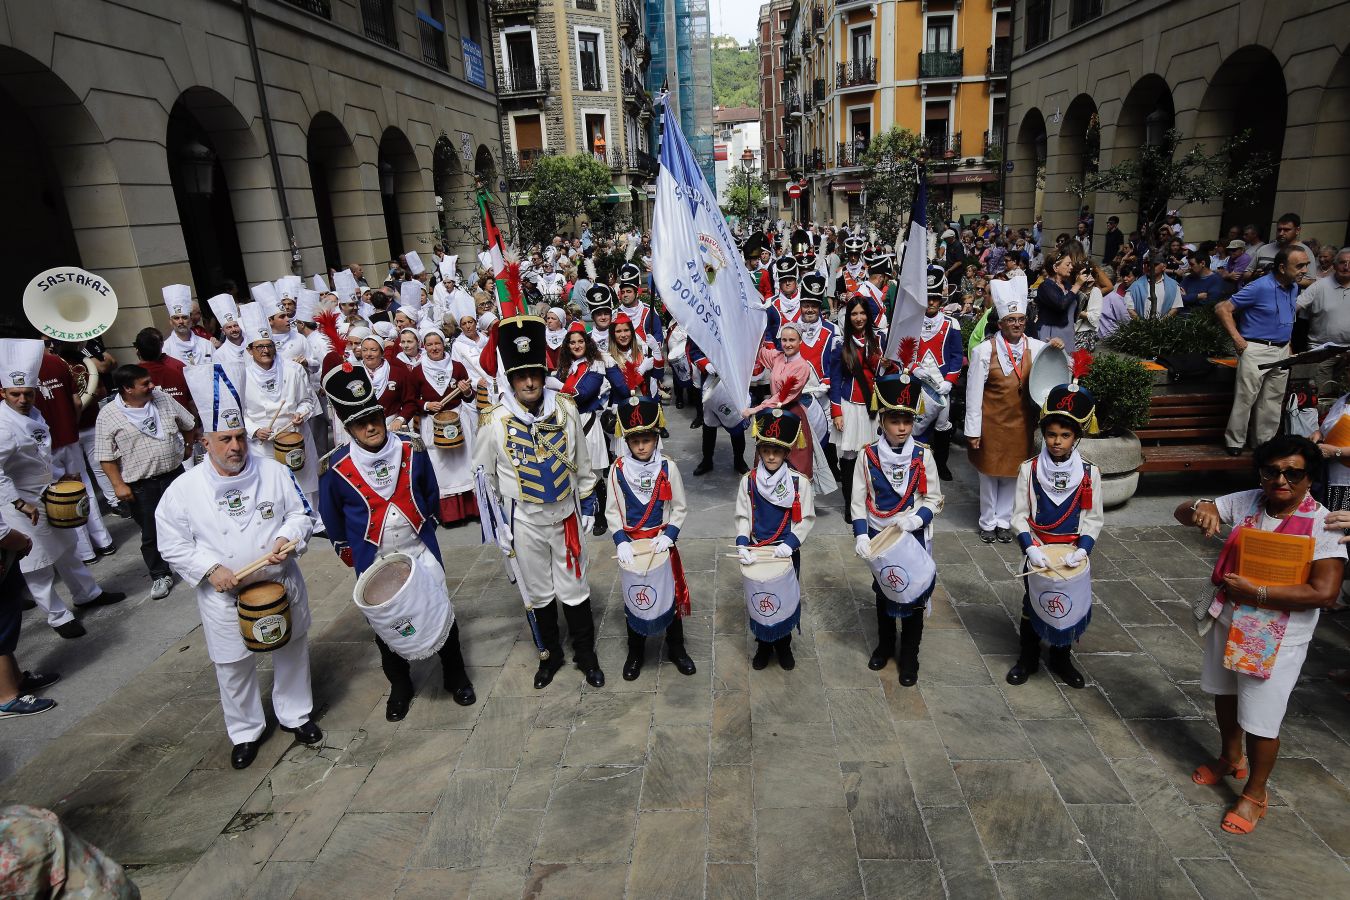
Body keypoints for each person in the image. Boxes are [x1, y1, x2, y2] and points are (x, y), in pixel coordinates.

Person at [1175, 435, 1345, 835]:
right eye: (1272, 471)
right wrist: (1199, 508)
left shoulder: (1324, 523)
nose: (1280, 480)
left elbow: (1325, 592)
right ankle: (1230, 758)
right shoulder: (1249, 500)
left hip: (1277, 634)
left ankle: (1255, 792)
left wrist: (1260, 593)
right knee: (1225, 693)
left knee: (1262, 719)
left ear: (1309, 478)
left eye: (1293, 473)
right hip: (1229, 617)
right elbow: (1182, 511)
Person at [156, 362, 321, 769]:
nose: (236, 447)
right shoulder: (184, 489)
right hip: (224, 594)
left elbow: (302, 513)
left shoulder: (275, 471)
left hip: (279, 580)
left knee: (292, 650)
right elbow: (172, 544)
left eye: (241, 437)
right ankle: (246, 731)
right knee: (232, 665)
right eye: (225, 439)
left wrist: (289, 537)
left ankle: (296, 714)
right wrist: (210, 570)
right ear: (206, 443)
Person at [318, 363, 475, 721]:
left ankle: (456, 675)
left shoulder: (412, 447)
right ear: (349, 427)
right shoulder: (335, 468)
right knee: (387, 626)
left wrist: (425, 528)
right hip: (375, 560)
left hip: (420, 551)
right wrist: (352, 554)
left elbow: (430, 494)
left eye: (373, 417)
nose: (371, 427)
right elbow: (333, 519)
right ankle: (400, 685)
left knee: (440, 613)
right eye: (360, 423)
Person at [474, 315, 604, 689]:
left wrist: (587, 507)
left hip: (565, 516)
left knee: (575, 587)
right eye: (520, 376)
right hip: (524, 521)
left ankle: (585, 653)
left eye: (534, 373)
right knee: (538, 591)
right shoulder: (494, 420)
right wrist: (498, 526)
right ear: (511, 380)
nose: (529, 382)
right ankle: (550, 655)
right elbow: (483, 478)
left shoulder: (565, 408)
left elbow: (581, 462)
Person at [0, 340, 126, 638]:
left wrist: (61, 473)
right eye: (15, 394)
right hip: (19, 503)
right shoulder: (3, 426)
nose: (22, 399)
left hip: (46, 493)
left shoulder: (32, 414)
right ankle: (58, 616)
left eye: (27, 393)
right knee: (37, 563)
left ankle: (87, 593)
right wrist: (19, 503)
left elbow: (38, 454)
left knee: (67, 547)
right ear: (3, 392)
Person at [1006, 384, 1104, 689]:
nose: (1057, 441)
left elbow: (1093, 518)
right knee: (1032, 603)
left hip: (1072, 551)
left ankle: (1062, 657)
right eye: (1051, 434)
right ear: (1043, 434)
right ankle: (1028, 658)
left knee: (1067, 603)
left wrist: (1083, 549)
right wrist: (1030, 547)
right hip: (1038, 549)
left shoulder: (1089, 473)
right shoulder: (1029, 469)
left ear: (1076, 438)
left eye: (1065, 435)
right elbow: (1019, 515)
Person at [851, 373, 942, 685]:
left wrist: (916, 519)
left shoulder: (923, 454)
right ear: (882, 419)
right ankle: (886, 645)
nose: (902, 428)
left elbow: (934, 499)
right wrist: (861, 533)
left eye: (907, 420)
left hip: (911, 535)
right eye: (894, 420)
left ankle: (910, 656)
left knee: (914, 595)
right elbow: (858, 500)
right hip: (879, 535)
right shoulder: (867, 455)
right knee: (884, 590)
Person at [965, 276, 1065, 543]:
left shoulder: (1035, 347)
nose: (1017, 325)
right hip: (991, 422)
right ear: (1000, 324)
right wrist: (972, 431)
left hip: (1021, 421)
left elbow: (1056, 363)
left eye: (1021, 320)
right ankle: (987, 521)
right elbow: (973, 393)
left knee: (1012, 472)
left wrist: (1057, 346)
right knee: (988, 473)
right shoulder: (984, 351)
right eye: (1011, 320)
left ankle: (1003, 520)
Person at [609, 397, 696, 681]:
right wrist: (621, 540)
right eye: (635, 441)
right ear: (627, 442)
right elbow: (612, 509)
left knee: (670, 598)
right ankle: (636, 653)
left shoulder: (668, 467)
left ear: (656, 439)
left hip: (661, 543)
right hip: (633, 546)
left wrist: (669, 535)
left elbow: (680, 507)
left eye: (647, 439)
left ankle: (677, 649)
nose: (642, 446)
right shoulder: (617, 469)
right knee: (636, 599)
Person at [95, 364, 197, 600]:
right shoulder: (108, 415)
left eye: (150, 381)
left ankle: (199, 561)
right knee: (152, 532)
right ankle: (160, 574)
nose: (152, 386)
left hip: (174, 475)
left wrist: (189, 447)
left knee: (191, 520)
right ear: (127, 389)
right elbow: (105, 457)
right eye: (145, 384)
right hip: (141, 485)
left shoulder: (161, 398)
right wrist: (118, 485)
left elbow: (188, 423)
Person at [735, 409, 816, 671]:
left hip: (785, 550)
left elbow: (805, 519)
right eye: (766, 449)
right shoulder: (748, 481)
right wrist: (741, 544)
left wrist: (790, 544)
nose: (771, 456)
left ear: (786, 452)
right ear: (759, 449)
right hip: (758, 549)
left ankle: (783, 644)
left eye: (777, 450)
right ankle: (763, 644)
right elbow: (743, 516)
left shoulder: (798, 482)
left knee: (784, 598)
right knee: (760, 598)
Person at [1217, 248, 1308, 454]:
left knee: (1272, 401)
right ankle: (1235, 442)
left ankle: (1264, 444)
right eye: (1300, 265)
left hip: (1282, 349)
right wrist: (1237, 339)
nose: (1304, 270)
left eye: (1305, 265)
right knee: (1245, 398)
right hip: (1256, 347)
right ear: (1282, 267)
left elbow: (1285, 316)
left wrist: (1289, 343)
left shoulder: (1293, 287)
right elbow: (1222, 309)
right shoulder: (1259, 286)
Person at [34, 347, 115, 562]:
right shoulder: (56, 362)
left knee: (61, 496)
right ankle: (104, 540)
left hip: (42, 445)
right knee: (84, 486)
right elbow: (77, 402)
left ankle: (85, 551)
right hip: (69, 435)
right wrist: (71, 423)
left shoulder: (10, 371)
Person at [237, 304, 320, 512]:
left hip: (295, 435)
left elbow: (307, 400)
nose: (266, 351)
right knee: (270, 487)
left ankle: (311, 519)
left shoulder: (293, 370)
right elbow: (240, 413)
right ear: (249, 350)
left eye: (269, 345)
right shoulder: (242, 377)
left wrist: (302, 413)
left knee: (304, 485)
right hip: (263, 444)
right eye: (259, 347)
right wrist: (255, 430)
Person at [832, 296, 889, 523]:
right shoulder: (840, 344)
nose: (858, 318)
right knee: (849, 456)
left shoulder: (880, 341)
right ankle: (849, 502)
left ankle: (871, 499)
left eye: (862, 313)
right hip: (849, 404)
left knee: (873, 455)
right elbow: (835, 380)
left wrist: (887, 364)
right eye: (854, 314)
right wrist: (836, 412)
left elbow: (888, 372)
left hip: (873, 406)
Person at [414, 327, 478, 526]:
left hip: (458, 418)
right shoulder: (417, 371)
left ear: (444, 345)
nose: (434, 348)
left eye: (438, 344)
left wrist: (467, 392)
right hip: (432, 423)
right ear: (424, 347)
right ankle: (449, 514)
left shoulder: (457, 367)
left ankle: (471, 509)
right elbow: (409, 399)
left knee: (465, 463)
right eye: (430, 344)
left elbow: (470, 396)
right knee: (440, 467)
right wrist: (425, 405)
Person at [551, 322, 610, 535]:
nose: (576, 346)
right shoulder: (565, 368)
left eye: (580, 341)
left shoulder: (596, 366)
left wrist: (557, 385)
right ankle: (581, 512)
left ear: (587, 343)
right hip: (567, 422)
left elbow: (583, 394)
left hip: (587, 422)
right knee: (573, 469)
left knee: (594, 471)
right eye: (572, 342)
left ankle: (601, 515)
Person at [914, 282, 964, 480]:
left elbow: (957, 355)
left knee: (942, 425)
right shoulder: (913, 321)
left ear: (941, 299)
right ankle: (916, 464)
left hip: (942, 384)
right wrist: (913, 367)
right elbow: (905, 350)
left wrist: (950, 381)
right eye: (928, 297)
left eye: (935, 297)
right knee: (917, 424)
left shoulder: (952, 324)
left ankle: (941, 464)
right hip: (918, 383)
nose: (931, 302)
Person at [1296, 248, 1350, 389]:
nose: (1347, 266)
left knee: (1341, 399)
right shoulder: (1320, 285)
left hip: (1347, 353)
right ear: (1335, 265)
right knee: (1320, 397)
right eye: (1343, 262)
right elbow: (1294, 306)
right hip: (1322, 351)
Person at [1248, 213, 1318, 286]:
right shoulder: (1263, 249)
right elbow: (1246, 274)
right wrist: (1255, 275)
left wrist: (1282, 278)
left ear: (1297, 230)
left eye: (1286, 230)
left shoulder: (1304, 252)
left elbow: (1310, 281)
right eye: (1279, 229)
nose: (1281, 233)